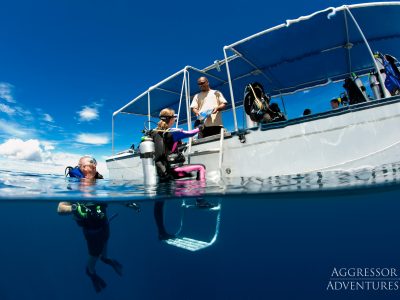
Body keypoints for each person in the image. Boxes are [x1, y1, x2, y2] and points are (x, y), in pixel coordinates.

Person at [58, 156, 122, 293]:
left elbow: (114, 194)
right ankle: (91, 273)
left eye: (93, 166)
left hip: (105, 223)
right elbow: (60, 208)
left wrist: (126, 202)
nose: (90, 170)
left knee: (104, 255)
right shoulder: (73, 185)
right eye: (86, 167)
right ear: (79, 167)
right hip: (91, 231)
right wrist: (74, 209)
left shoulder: (99, 181)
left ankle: (107, 260)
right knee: (94, 256)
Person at [150, 108, 206, 240]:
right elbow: (193, 132)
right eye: (174, 117)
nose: (175, 119)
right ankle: (200, 200)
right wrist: (200, 124)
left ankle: (161, 232)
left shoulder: (154, 133)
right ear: (170, 119)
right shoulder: (174, 133)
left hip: (157, 172)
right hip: (168, 171)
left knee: (159, 203)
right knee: (200, 168)